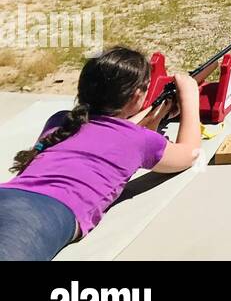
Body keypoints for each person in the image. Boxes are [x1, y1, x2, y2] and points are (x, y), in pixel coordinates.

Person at [0, 46, 203, 260]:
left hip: (10, 194)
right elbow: (190, 153)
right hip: (46, 212)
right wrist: (189, 95)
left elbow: (100, 137)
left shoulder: (60, 120)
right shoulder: (139, 140)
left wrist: (155, 115)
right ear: (137, 96)